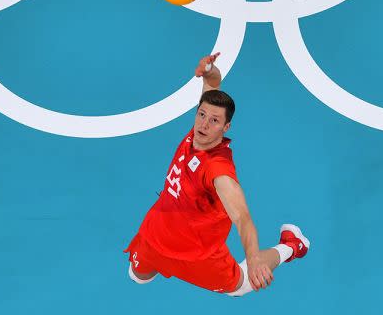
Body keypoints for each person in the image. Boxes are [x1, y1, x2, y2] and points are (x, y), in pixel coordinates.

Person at [124, 52, 310, 296]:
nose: (204, 124)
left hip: (197, 254)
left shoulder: (218, 170)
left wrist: (253, 258)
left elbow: (242, 218)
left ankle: (292, 245)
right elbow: (211, 84)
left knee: (242, 286)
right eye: (201, 115)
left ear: (226, 127)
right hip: (157, 234)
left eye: (214, 121)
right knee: (138, 277)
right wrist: (209, 69)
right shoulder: (198, 132)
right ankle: (161, 261)